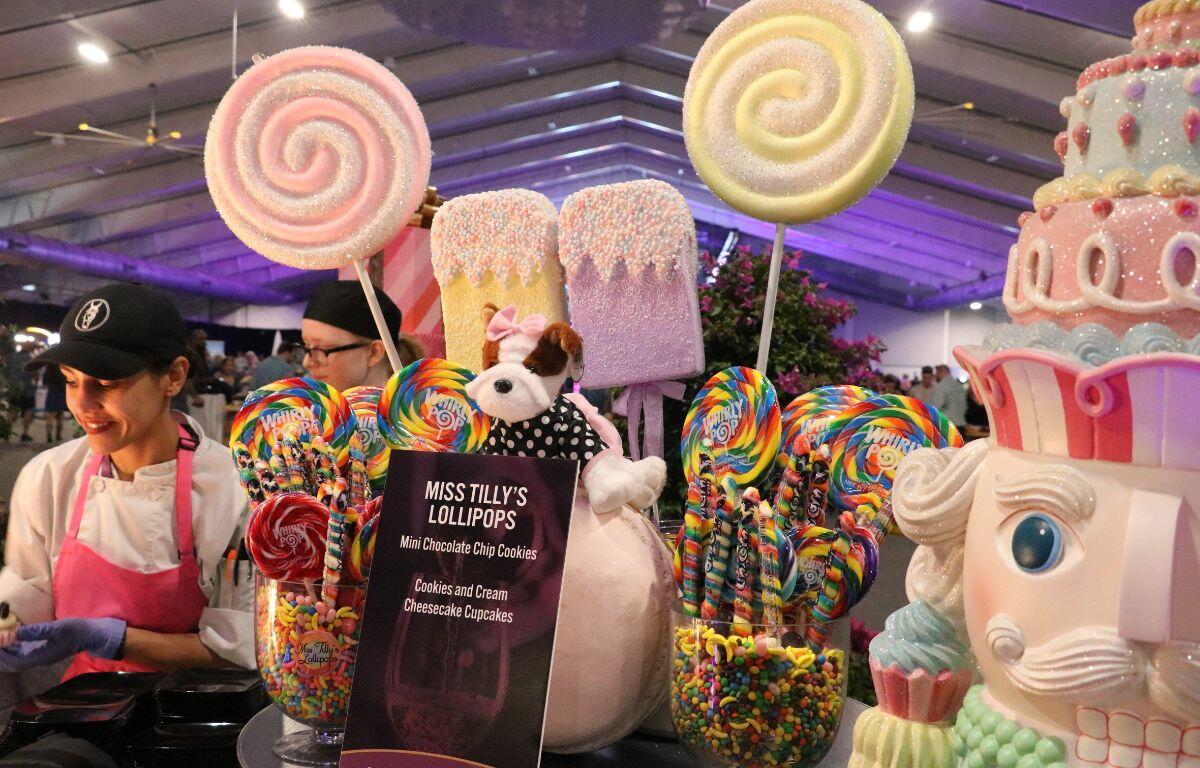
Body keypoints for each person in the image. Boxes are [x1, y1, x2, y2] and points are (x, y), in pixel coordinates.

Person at [0, 283, 252, 680]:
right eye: (70, 381)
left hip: (200, 715)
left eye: (106, 383)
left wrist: (112, 638)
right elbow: (23, 606)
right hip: (86, 707)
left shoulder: (233, 489)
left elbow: (245, 646)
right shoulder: (49, 477)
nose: (82, 405)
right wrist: (10, 631)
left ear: (173, 376)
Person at [301, 280, 403, 392]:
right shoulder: (309, 407)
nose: (306, 362)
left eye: (322, 349)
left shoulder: (416, 408)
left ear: (374, 352)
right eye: (307, 345)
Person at [931, 363, 968, 429]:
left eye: (937, 372)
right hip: (961, 423)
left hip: (948, 425)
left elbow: (936, 406)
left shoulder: (941, 386)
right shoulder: (959, 385)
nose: (936, 375)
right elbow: (965, 406)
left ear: (941, 372)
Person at [42, 366, 67, 443]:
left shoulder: (48, 371)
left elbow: (44, 383)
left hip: (51, 393)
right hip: (61, 394)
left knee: (50, 416)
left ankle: (49, 435)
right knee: (60, 416)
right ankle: (58, 435)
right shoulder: (63, 371)